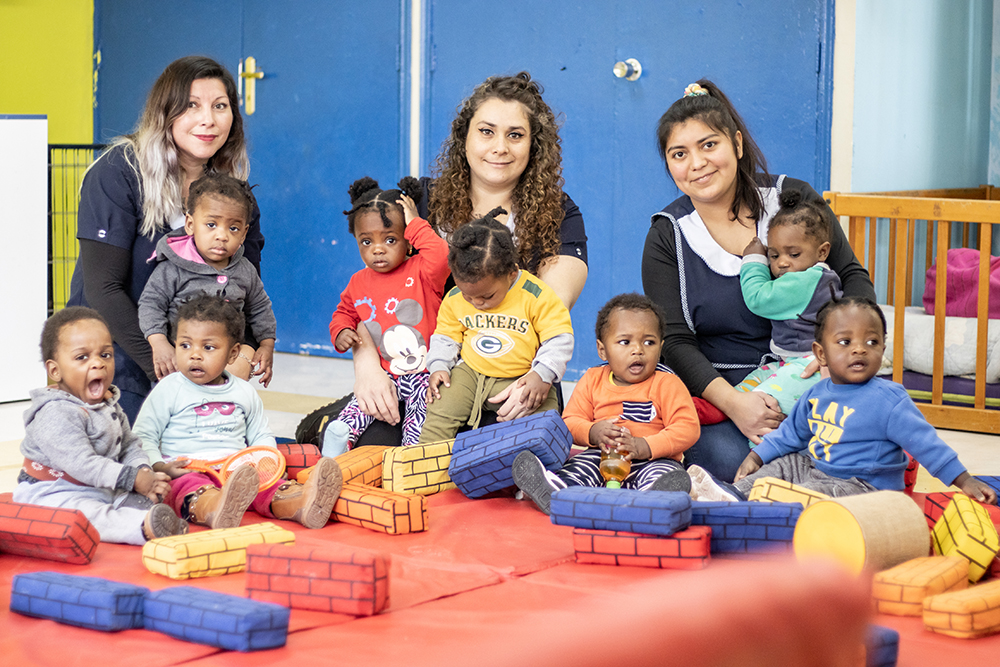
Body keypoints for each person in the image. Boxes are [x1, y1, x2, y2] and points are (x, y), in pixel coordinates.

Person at [641, 79, 874, 482]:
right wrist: (736, 405)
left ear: (736, 143)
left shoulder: (794, 200)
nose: (697, 163)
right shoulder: (668, 234)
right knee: (744, 467)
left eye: (709, 145)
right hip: (723, 392)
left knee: (872, 454)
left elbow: (851, 277)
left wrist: (836, 360)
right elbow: (675, 341)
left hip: (813, 374)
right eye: (679, 154)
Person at [349, 72, 588, 446]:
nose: (500, 147)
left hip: (512, 381)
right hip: (420, 380)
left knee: (498, 470)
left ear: (533, 146)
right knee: (372, 450)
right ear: (464, 137)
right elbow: (371, 291)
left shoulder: (558, 212)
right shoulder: (418, 201)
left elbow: (551, 305)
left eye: (515, 135)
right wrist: (365, 364)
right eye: (487, 131)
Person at [68, 55, 265, 425]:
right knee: (136, 465)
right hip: (119, 349)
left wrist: (243, 355)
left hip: (194, 359)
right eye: (192, 106)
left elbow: (249, 286)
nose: (208, 119)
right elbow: (103, 289)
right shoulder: (118, 172)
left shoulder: (234, 195)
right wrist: (170, 375)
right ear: (164, 113)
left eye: (220, 106)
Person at [688, 297, 998, 504]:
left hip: (865, 487)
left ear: (882, 349)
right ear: (820, 353)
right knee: (786, 463)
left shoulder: (889, 400)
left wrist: (965, 480)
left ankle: (766, 507)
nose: (860, 349)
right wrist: (757, 458)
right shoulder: (816, 394)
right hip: (818, 467)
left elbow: (926, 443)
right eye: (845, 342)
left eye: (871, 341)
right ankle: (730, 495)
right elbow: (790, 435)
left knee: (807, 494)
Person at [133, 295, 342, 530]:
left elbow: (260, 436)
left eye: (208, 347)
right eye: (185, 345)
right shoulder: (169, 388)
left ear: (232, 354)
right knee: (184, 487)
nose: (194, 354)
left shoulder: (243, 391)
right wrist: (159, 466)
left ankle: (301, 503)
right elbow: (143, 436)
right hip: (188, 469)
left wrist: (268, 464)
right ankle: (215, 509)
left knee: (268, 487)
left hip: (237, 471)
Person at [512, 293, 699, 514]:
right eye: (624, 342)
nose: (638, 349)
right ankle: (557, 492)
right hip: (601, 458)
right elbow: (569, 423)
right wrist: (593, 432)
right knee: (579, 467)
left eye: (649, 342)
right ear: (603, 350)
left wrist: (644, 446)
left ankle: (655, 500)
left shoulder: (667, 383)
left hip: (652, 460)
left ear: (661, 347)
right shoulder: (592, 379)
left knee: (664, 474)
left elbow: (688, 428)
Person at [14, 307, 188, 545]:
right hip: (54, 492)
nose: (98, 363)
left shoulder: (108, 402)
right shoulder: (54, 412)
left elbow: (129, 445)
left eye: (105, 355)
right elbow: (83, 464)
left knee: (148, 494)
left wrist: (143, 470)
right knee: (89, 517)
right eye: (82, 357)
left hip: (101, 486)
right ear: (55, 370)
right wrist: (132, 478)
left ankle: (158, 516)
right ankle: (144, 528)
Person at [418, 211, 574, 443]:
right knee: (440, 406)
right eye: (468, 297)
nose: (477, 303)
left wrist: (542, 375)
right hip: (471, 373)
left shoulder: (536, 294)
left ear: (511, 274)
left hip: (521, 375)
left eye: (487, 296)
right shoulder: (454, 298)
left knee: (544, 419)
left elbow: (559, 338)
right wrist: (439, 366)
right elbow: (445, 337)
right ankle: (425, 463)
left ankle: (538, 469)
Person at [325, 176, 449, 452]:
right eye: (366, 242)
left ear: (408, 239)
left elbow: (441, 255)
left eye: (390, 239)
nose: (377, 249)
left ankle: (410, 457)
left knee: (421, 415)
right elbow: (344, 313)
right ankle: (340, 439)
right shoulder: (358, 281)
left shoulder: (422, 270)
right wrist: (342, 331)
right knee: (360, 405)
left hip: (425, 372)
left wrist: (416, 223)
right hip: (386, 374)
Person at [138, 173, 276, 387]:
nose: (222, 235)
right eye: (211, 224)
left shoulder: (245, 270)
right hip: (182, 364)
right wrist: (159, 342)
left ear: (244, 233)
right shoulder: (172, 267)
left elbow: (260, 308)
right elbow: (150, 304)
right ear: (190, 224)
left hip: (226, 363)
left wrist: (266, 346)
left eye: (233, 228)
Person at [735, 188, 842, 418]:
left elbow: (758, 298)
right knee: (742, 393)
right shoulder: (819, 277)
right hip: (792, 362)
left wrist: (754, 260)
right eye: (774, 255)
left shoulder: (805, 281)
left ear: (822, 252)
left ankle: (763, 452)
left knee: (760, 405)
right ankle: (711, 411)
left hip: (808, 366)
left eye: (793, 254)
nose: (782, 263)